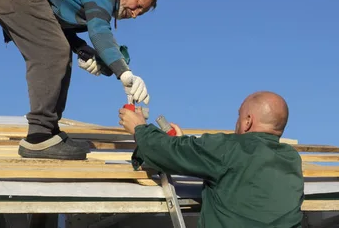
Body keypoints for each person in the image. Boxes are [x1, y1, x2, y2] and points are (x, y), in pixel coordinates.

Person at [0, 0, 157, 160]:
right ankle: (39, 137)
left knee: (58, 50)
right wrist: (125, 73)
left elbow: (58, 27)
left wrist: (85, 51)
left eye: (142, 12)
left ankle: (49, 132)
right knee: (52, 52)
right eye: (139, 4)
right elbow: (99, 31)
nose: (136, 14)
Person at [119, 91, 304, 228]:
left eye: (239, 116)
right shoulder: (291, 159)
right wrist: (184, 144)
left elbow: (165, 151)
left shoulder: (230, 148)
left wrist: (139, 128)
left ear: (248, 121)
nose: (236, 122)